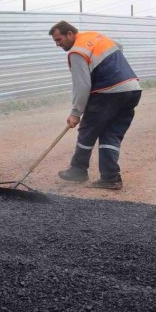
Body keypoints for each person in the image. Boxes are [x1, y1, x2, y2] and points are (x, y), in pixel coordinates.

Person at [49, 21, 142, 190]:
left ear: (70, 34)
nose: (57, 44)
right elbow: (118, 46)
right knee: (110, 133)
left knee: (88, 129)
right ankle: (110, 177)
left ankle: (78, 170)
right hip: (132, 89)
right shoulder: (93, 36)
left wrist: (76, 113)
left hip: (109, 91)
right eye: (55, 41)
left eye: (59, 39)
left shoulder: (77, 51)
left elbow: (82, 85)